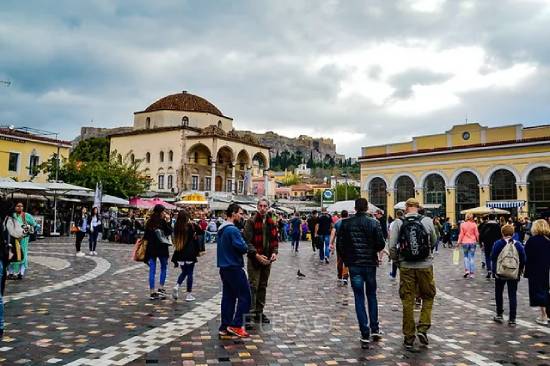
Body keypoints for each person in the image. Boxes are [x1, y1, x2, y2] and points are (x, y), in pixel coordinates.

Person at [389, 198, 437, 350]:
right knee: (428, 296)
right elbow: (434, 241)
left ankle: (409, 336)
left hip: (406, 266)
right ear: (418, 208)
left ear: (406, 208)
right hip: (425, 265)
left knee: (407, 300)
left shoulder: (398, 222)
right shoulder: (427, 220)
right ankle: (422, 328)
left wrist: (397, 261)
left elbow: (391, 246)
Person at [337, 199, 386, 348]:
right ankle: (375, 328)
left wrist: (347, 260)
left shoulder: (346, 223)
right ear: (366, 208)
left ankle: (364, 332)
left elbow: (340, 245)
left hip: (354, 265)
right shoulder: (374, 223)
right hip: (370, 264)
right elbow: (381, 244)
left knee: (359, 297)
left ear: (355, 208)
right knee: (371, 295)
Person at [217, 203, 251, 338]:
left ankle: (224, 327)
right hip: (234, 267)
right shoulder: (233, 230)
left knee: (229, 298)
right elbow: (242, 247)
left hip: (224, 268)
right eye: (240, 214)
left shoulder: (222, 229)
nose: (242, 216)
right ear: (233, 214)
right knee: (246, 297)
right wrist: (244, 243)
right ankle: (236, 325)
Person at [244, 197, 278, 324]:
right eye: (261, 206)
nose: (263, 208)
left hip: (267, 259)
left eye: (265, 206)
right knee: (253, 286)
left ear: (268, 208)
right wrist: (257, 255)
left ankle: (259, 312)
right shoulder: (251, 221)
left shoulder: (271, 222)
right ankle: (250, 314)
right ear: (257, 207)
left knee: (263, 286)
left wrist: (274, 253)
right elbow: (247, 242)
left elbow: (274, 240)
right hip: (254, 259)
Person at [491, 224, 526, 327]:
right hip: (513, 273)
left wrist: (494, 271)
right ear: (513, 233)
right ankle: (512, 318)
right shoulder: (518, 244)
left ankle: (499, 314)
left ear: (502, 233)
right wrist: (519, 271)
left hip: (500, 272)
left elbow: (493, 257)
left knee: (499, 293)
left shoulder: (498, 243)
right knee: (512, 295)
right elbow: (523, 259)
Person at [524, 219, 550, 325]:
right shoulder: (548, 240)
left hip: (534, 269)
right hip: (546, 269)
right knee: (545, 290)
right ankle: (546, 314)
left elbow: (527, 256)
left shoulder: (532, 240)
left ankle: (543, 315)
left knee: (538, 292)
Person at [144, 204, 172, 300]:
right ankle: (161, 287)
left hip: (151, 248)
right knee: (163, 267)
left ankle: (152, 292)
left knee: (152, 270)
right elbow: (169, 232)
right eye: (163, 211)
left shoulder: (149, 222)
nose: (165, 213)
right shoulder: (163, 222)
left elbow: (146, 236)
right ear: (160, 212)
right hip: (162, 248)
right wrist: (168, 221)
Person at [171, 210, 201, 302]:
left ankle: (177, 286)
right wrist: (194, 224)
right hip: (190, 253)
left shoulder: (176, 226)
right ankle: (189, 294)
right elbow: (200, 231)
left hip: (179, 253)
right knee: (190, 273)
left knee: (184, 272)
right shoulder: (190, 226)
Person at [7, 202, 37, 279]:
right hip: (13, 238)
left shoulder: (26, 215)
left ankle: (21, 273)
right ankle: (11, 273)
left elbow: (34, 224)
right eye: (18, 206)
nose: (20, 207)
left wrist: (27, 229)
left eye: (21, 206)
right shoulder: (11, 215)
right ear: (14, 207)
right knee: (12, 255)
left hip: (23, 239)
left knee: (23, 255)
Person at [330, 210, 349, 285]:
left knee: (339, 260)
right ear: (347, 215)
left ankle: (339, 275)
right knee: (347, 261)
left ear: (341, 215)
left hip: (339, 243)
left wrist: (331, 243)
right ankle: (345, 276)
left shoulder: (337, 223)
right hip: (348, 244)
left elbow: (333, 233)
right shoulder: (350, 222)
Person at [457, 213, 479, 278]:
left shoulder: (462, 224)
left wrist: (458, 242)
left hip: (465, 242)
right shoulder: (474, 224)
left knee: (465, 256)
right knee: (471, 257)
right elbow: (477, 234)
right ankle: (472, 273)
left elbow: (461, 234)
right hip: (472, 242)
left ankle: (467, 270)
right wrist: (478, 240)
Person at [479, 214, 501, 279]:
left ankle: (489, 270)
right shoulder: (497, 226)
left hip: (487, 243)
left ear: (488, 218)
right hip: (496, 243)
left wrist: (481, 242)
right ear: (495, 218)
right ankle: (494, 272)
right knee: (495, 257)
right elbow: (500, 235)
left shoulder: (485, 225)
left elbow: (481, 234)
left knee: (487, 256)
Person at [388, 210, 404, 280]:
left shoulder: (393, 223)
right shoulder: (405, 221)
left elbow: (390, 233)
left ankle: (393, 275)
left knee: (395, 261)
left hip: (396, 244)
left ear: (396, 215)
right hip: (404, 245)